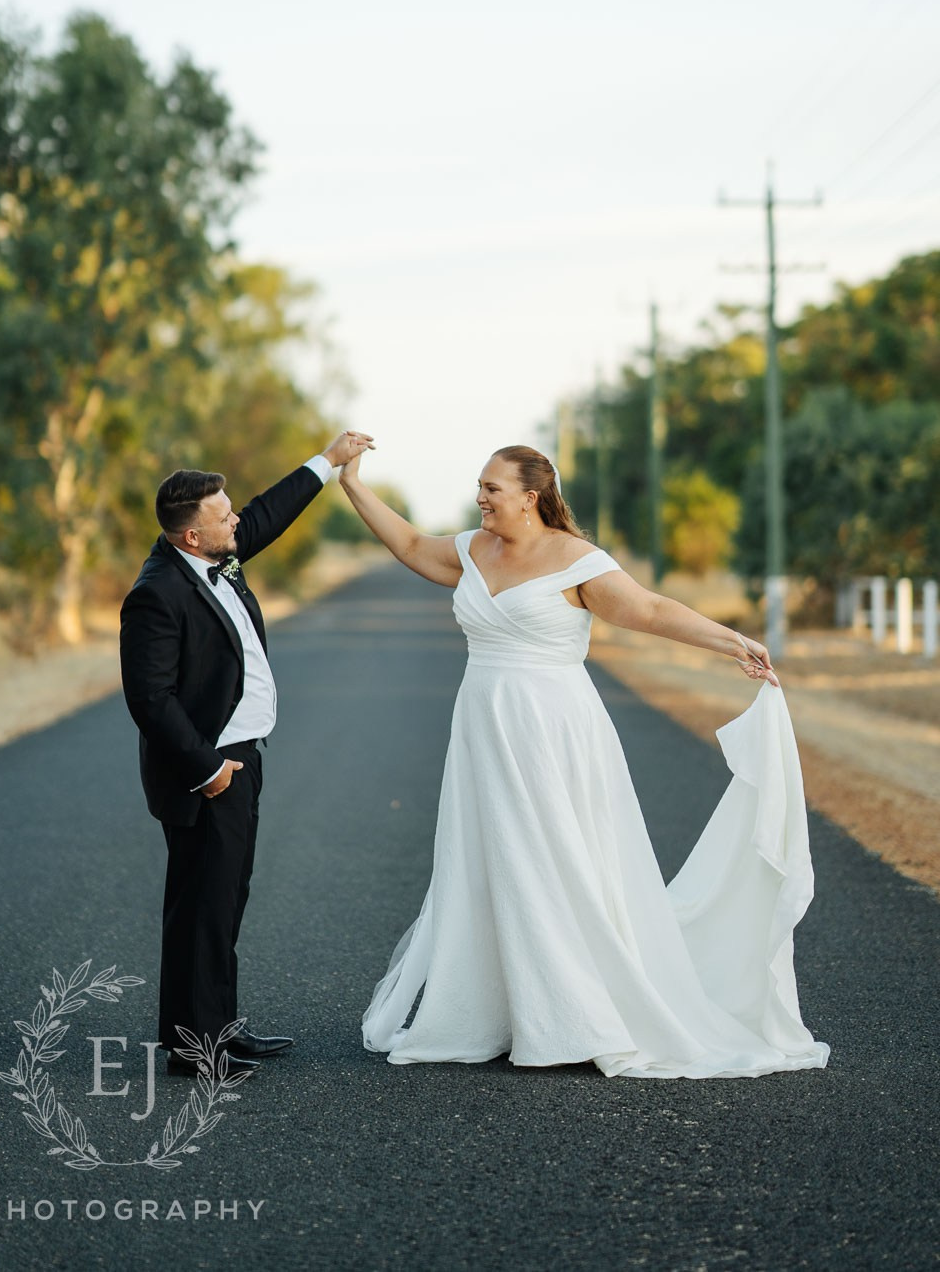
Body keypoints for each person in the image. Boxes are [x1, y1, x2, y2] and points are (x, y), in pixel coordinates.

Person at [340, 443, 829, 1079]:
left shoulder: (578, 561)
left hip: (554, 732)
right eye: (480, 486)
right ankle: (507, 1010)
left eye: (492, 488)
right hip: (484, 727)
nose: (481, 497)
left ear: (530, 497)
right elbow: (407, 544)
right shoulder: (471, 550)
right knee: (495, 860)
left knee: (554, 859)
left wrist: (730, 641)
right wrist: (350, 481)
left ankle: (574, 1015)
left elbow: (649, 609)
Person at [120, 430, 374, 1076]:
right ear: (190, 537)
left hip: (240, 759)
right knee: (202, 905)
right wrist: (207, 771)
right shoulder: (157, 594)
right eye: (221, 516)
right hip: (208, 768)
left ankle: (217, 1029)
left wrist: (328, 460)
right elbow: (150, 700)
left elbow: (263, 513)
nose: (237, 520)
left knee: (223, 898)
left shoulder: (215, 553)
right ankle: (195, 1048)